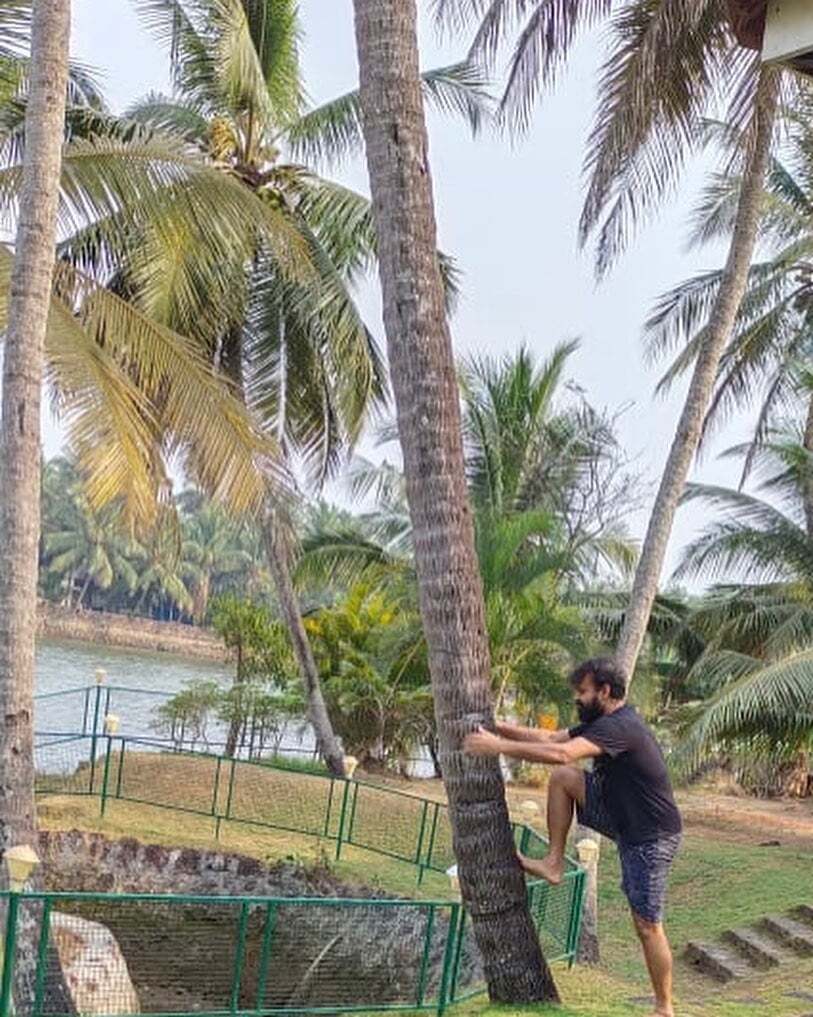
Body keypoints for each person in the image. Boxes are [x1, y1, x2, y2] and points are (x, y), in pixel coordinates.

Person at [464, 657, 682, 1017]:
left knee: (647, 925)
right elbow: (549, 738)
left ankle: (664, 1008)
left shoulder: (620, 727)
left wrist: (497, 747)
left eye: (582, 692)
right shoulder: (603, 723)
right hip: (621, 817)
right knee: (565, 778)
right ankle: (553, 862)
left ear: (605, 691)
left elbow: (561, 752)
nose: (577, 699)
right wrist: (495, 727)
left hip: (651, 837)